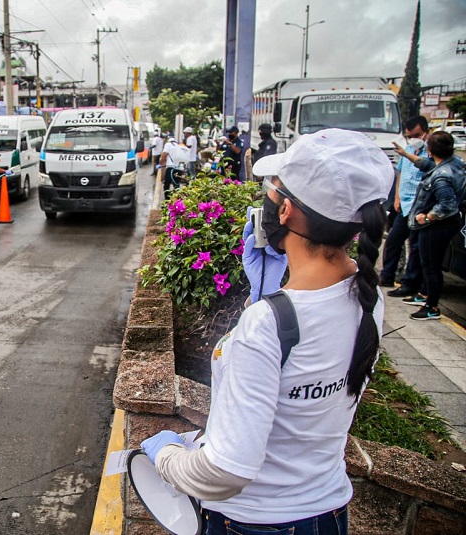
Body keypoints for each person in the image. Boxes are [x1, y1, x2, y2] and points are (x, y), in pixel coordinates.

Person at [141, 129, 393, 534]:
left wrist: (165, 454)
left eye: (271, 191)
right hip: (326, 513)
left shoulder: (268, 326)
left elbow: (224, 473)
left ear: (287, 211)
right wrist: (266, 294)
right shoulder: (367, 296)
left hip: (255, 522)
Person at [395, 131, 465, 320]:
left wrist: (427, 218)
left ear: (431, 149)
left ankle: (431, 307)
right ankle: (425, 295)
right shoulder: (454, 164)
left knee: (431, 265)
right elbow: (425, 164)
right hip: (445, 225)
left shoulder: (442, 176)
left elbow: (447, 205)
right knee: (430, 263)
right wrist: (405, 153)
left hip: (436, 227)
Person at [381, 116, 429, 294]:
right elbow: (400, 172)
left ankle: (409, 284)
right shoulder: (408, 148)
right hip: (404, 204)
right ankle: (387, 276)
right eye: (409, 136)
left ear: (426, 132)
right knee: (393, 240)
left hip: (420, 207)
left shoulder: (429, 153)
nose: (412, 139)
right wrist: (397, 198)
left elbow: (425, 167)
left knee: (415, 247)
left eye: (416, 135)